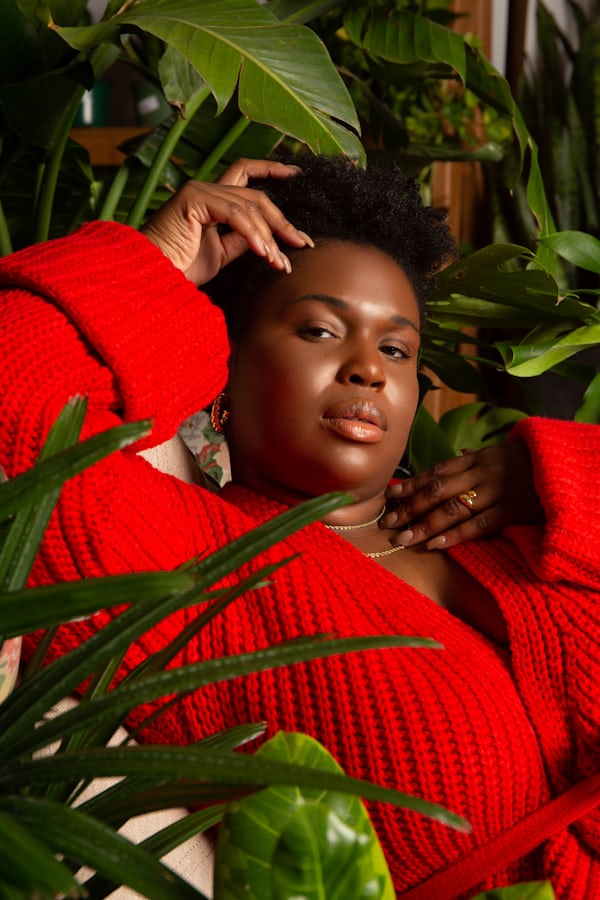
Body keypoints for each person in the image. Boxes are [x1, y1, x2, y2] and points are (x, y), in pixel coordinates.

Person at [1, 154, 598, 899]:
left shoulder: (514, 522)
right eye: (319, 331)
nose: (368, 370)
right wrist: (158, 258)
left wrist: (559, 474)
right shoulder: (202, 570)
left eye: (395, 349)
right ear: (223, 368)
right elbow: (17, 408)